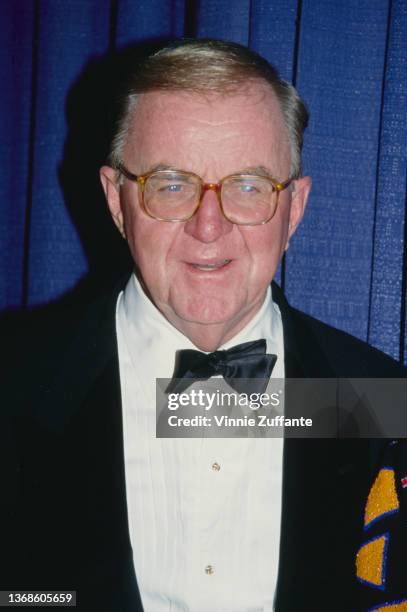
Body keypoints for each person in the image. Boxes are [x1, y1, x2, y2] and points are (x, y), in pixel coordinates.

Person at [2, 39, 406, 612]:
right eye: (171, 184)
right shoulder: (13, 382)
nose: (208, 226)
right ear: (118, 202)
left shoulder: (385, 405)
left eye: (248, 186)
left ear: (293, 209)